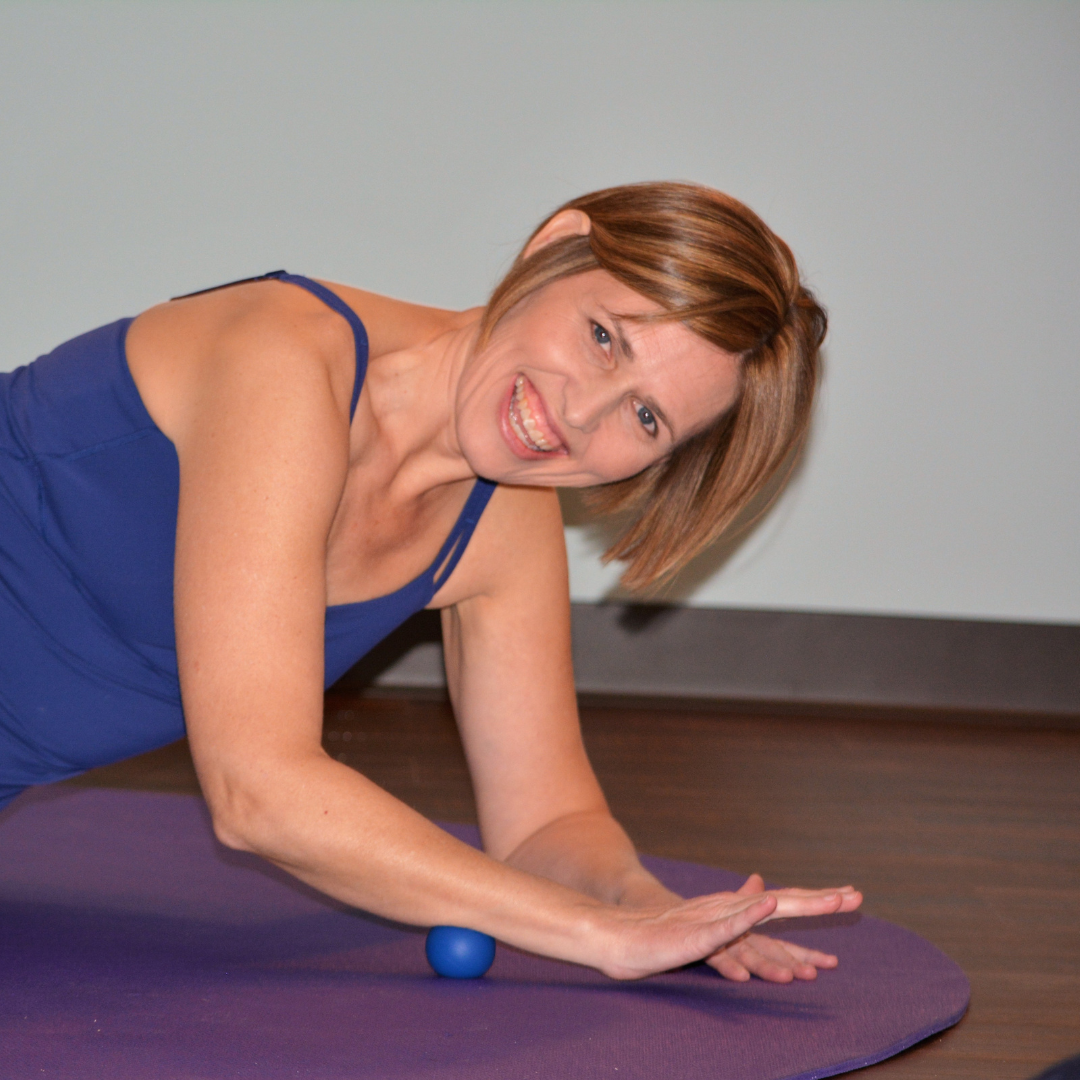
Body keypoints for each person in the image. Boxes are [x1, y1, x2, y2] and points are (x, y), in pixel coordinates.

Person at [0, 181, 860, 982]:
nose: (577, 414)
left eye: (645, 417)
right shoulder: (288, 359)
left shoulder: (502, 521)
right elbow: (256, 789)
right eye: (605, 338)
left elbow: (546, 824)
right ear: (554, 245)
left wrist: (654, 911)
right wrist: (595, 934)